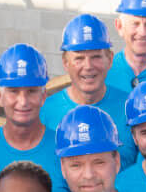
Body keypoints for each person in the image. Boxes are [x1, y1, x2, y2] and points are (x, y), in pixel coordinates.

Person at [40, 14, 137, 168]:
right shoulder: (46, 112)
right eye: (79, 58)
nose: (88, 66)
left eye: (96, 57)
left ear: (110, 59)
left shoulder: (131, 107)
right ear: (66, 63)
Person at [0, 44, 70, 192]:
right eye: (13, 91)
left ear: (43, 95)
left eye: (31, 91)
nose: (23, 102)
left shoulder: (66, 147)